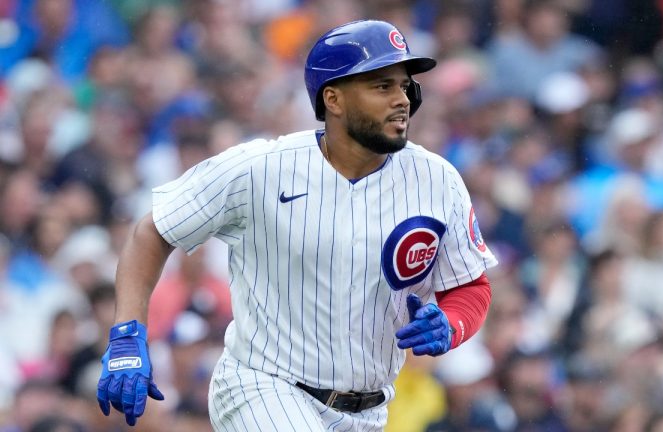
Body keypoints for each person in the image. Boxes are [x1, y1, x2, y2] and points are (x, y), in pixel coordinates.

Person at [95, 19, 497, 430]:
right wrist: (127, 334)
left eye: (404, 86)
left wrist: (452, 322)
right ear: (334, 99)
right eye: (382, 86)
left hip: (369, 410)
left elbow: (469, 285)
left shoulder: (437, 179)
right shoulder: (260, 167)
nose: (402, 100)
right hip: (263, 385)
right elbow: (152, 231)